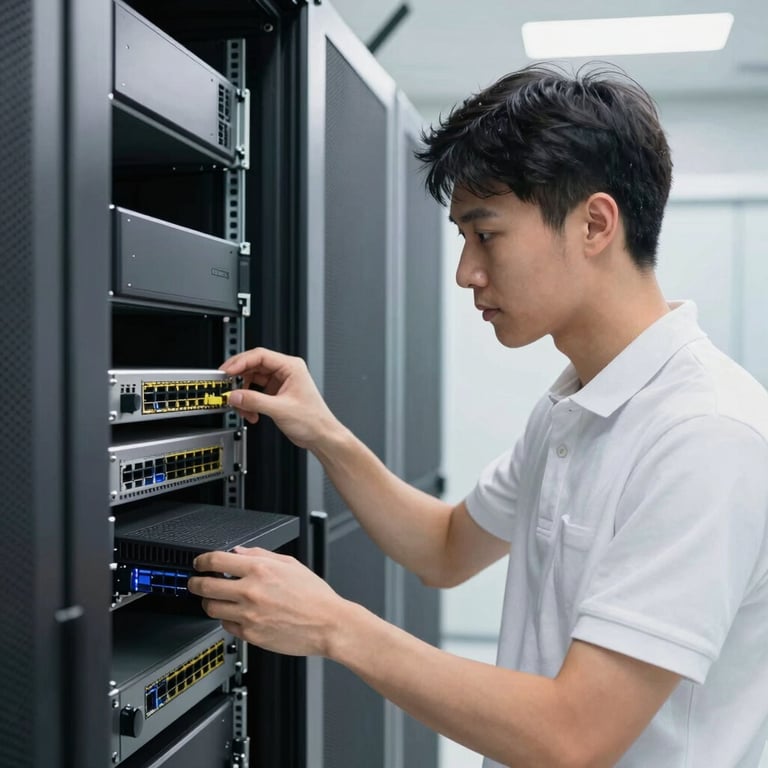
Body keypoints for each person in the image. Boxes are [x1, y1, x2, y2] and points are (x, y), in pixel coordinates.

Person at [187, 64, 768, 767]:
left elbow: (574, 735)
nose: (466, 271)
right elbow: (447, 547)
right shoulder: (571, 407)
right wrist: (326, 434)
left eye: (484, 234)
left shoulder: (706, 436)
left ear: (594, 223)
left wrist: (332, 625)